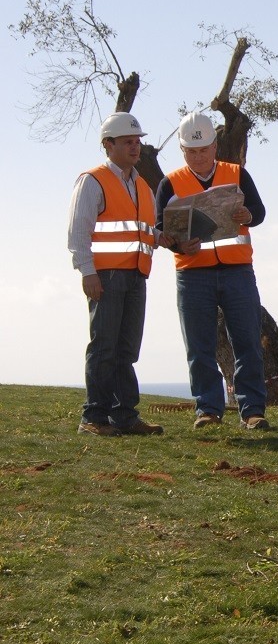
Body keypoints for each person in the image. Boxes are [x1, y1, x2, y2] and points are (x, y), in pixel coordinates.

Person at [67, 112, 181, 437]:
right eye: (128, 142)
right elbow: (78, 233)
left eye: (137, 141)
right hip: (105, 275)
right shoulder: (93, 180)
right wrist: (87, 272)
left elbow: (144, 231)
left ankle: (124, 417)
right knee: (104, 347)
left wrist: (164, 238)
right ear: (108, 145)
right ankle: (94, 418)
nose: (135, 147)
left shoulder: (142, 185)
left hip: (135, 275)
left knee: (126, 350)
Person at [155, 111, 269, 430]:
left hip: (237, 271)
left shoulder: (237, 174)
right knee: (199, 345)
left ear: (215, 146)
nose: (199, 156)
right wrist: (178, 245)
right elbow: (160, 227)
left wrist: (248, 215)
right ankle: (208, 409)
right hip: (193, 274)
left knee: (246, 340)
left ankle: (252, 411)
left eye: (204, 149)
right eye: (192, 151)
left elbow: (259, 211)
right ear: (182, 151)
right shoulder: (170, 183)